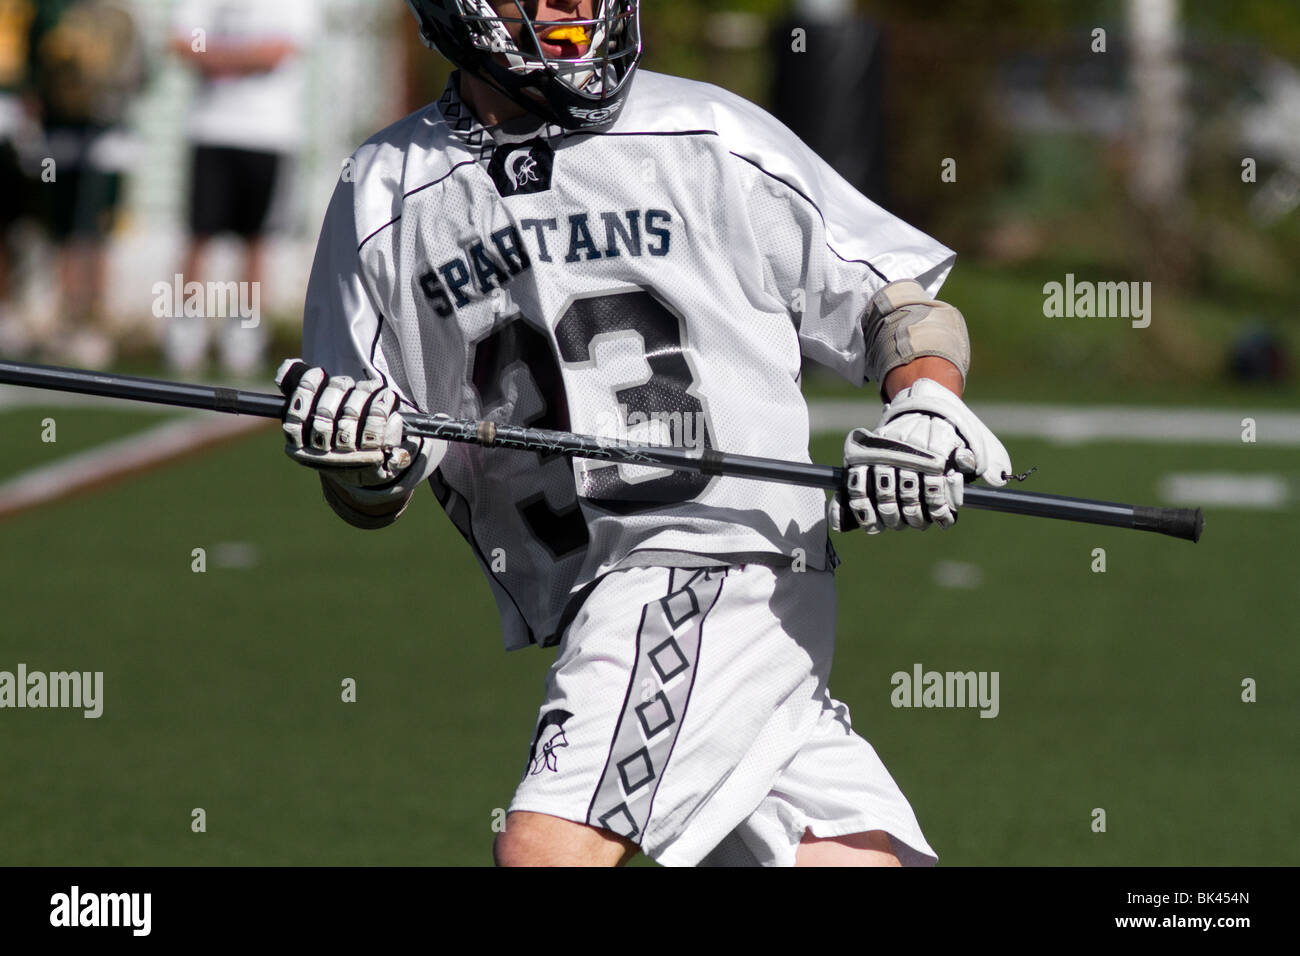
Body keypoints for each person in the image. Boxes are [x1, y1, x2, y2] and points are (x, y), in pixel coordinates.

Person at [276, 0, 1013, 867]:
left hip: (704, 561)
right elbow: (372, 475)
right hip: (619, 594)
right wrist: (360, 463)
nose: (572, 6)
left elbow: (898, 303)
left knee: (548, 851)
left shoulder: (702, 134)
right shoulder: (386, 187)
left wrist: (925, 407)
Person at [167, 0, 318, 376]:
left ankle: (244, 332)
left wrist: (219, 58)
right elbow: (184, 44)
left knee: (256, 240)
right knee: (198, 234)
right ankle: (186, 329)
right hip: (210, 128)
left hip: (269, 134)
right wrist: (244, 57)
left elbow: (279, 52)